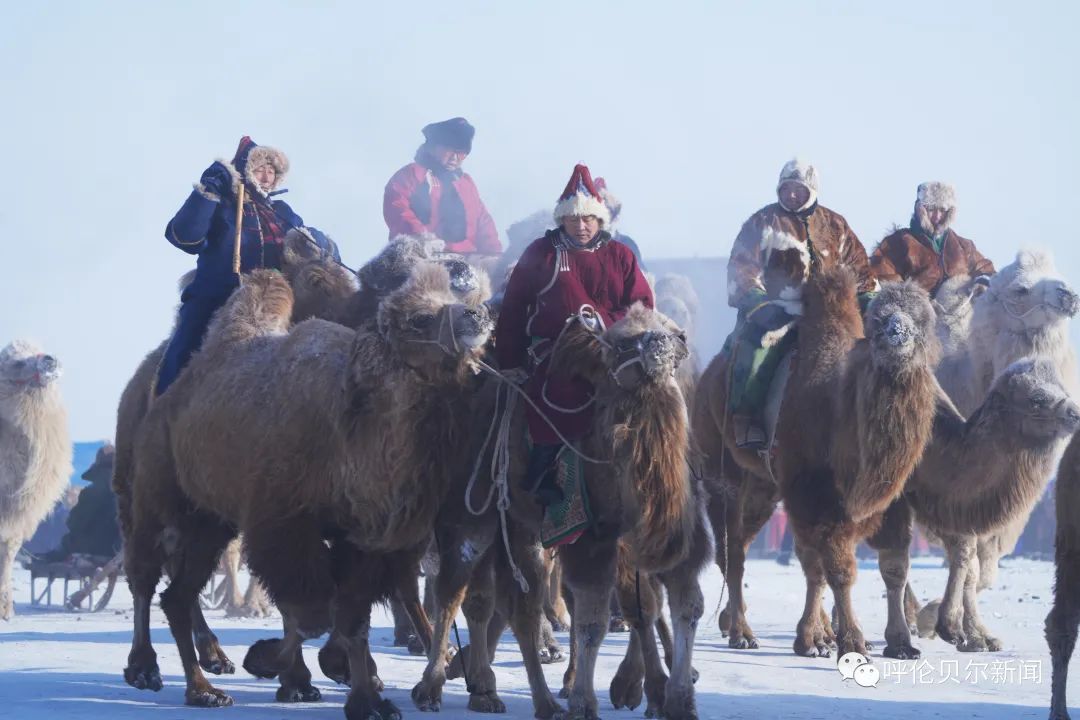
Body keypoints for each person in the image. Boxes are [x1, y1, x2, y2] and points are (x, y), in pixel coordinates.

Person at [495, 164, 653, 504]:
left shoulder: (621, 256)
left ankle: (659, 472)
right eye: (574, 219)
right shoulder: (542, 253)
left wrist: (606, 321)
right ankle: (542, 465)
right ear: (562, 219)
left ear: (599, 220)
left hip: (613, 347)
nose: (582, 226)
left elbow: (641, 306)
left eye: (588, 219)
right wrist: (509, 358)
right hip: (556, 347)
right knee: (562, 388)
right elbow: (513, 308)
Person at [157, 136, 334, 395]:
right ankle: (166, 402)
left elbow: (311, 251)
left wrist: (320, 244)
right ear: (246, 171)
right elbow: (184, 236)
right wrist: (208, 192)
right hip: (222, 290)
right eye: (260, 168)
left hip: (276, 297)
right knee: (190, 335)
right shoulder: (225, 205)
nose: (265, 176)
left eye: (271, 171)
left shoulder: (282, 212)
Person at [726, 158, 876, 450]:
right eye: (787, 188)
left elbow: (860, 269)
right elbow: (742, 267)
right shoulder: (763, 222)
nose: (792, 195)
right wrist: (760, 305)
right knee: (758, 351)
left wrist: (868, 300)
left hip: (832, 316)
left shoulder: (836, 225)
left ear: (812, 191)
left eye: (800, 189)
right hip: (779, 312)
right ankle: (747, 416)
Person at [383, 117, 502, 269]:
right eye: (449, 149)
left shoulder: (466, 184)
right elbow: (397, 208)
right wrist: (423, 240)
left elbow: (483, 222)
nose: (455, 157)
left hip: (466, 259)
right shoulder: (412, 175)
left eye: (461, 152)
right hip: (422, 256)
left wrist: (495, 255)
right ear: (433, 147)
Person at [870, 181, 995, 296]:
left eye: (942, 210)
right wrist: (909, 294)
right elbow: (881, 275)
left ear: (950, 212)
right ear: (920, 209)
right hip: (916, 312)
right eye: (931, 209)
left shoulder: (964, 246)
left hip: (957, 312)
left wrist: (982, 282)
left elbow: (986, 271)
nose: (937, 216)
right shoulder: (897, 242)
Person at [594, 177, 645, 269]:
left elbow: (641, 277)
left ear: (614, 214)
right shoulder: (579, 246)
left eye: (607, 210)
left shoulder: (627, 244)